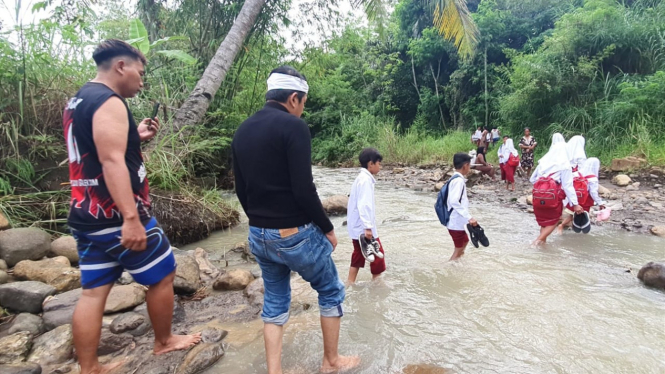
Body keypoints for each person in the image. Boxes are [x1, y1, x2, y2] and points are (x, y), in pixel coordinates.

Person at [63, 40, 201, 374]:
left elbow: (94, 149)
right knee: (164, 274)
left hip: (86, 213)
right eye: (140, 71)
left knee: (94, 292)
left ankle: (90, 367)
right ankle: (164, 340)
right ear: (121, 66)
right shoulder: (109, 101)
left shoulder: (78, 99)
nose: (142, 80)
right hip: (116, 213)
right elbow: (111, 162)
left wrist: (134, 137)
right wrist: (130, 218)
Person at [232, 66, 359, 374]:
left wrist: (260, 223)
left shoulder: (242, 130)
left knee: (274, 302)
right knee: (330, 290)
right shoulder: (293, 127)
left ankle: (274, 372)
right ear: (293, 98)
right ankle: (331, 362)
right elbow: (304, 189)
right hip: (294, 234)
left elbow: (240, 188)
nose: (302, 110)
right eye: (303, 103)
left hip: (258, 234)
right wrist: (328, 228)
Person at [529, 142, 583, 245]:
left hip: (537, 197)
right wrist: (575, 204)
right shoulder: (565, 165)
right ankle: (536, 242)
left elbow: (532, 179)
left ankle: (542, 246)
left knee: (544, 222)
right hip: (553, 197)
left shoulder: (543, 162)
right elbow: (568, 186)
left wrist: (543, 187)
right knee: (554, 220)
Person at [347, 148, 386, 284]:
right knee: (378, 253)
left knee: (358, 254)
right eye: (379, 163)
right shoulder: (365, 180)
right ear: (371, 164)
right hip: (362, 227)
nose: (380, 166)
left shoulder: (362, 178)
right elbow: (364, 205)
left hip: (357, 226)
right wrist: (368, 228)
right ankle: (377, 283)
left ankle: (350, 282)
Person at [557, 157, 606, 233]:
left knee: (572, 214)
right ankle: (563, 226)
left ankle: (570, 227)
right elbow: (593, 193)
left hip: (575, 198)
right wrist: (600, 203)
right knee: (581, 215)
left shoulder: (577, 173)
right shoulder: (593, 178)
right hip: (585, 200)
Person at [446, 153, 479, 261]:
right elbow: (454, 201)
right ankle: (450, 266)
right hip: (455, 222)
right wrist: (469, 217)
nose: (469, 168)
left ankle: (457, 263)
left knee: (465, 241)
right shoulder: (458, 181)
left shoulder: (454, 178)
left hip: (456, 221)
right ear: (465, 165)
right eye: (469, 166)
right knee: (458, 248)